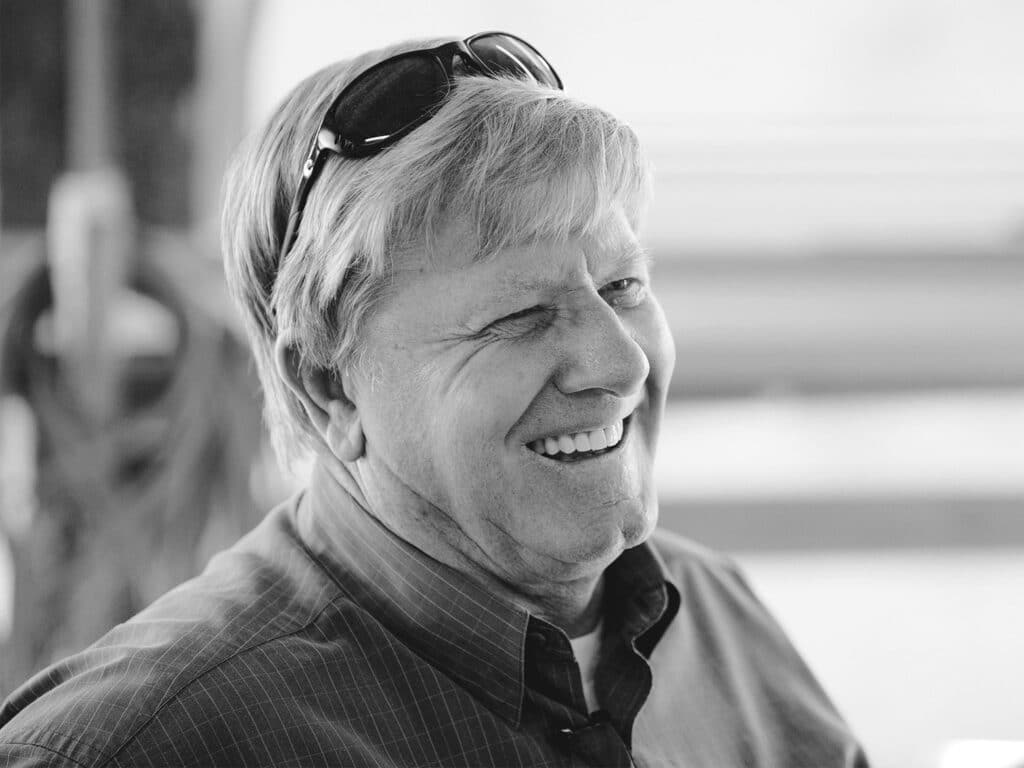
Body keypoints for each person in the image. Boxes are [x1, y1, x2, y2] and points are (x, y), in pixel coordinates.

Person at [0, 33, 868, 767]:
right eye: (520, 316)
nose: (618, 361)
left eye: (624, 283)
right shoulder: (140, 745)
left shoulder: (722, 624)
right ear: (328, 386)